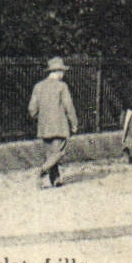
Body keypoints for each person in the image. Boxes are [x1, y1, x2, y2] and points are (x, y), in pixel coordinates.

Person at [28, 56, 79, 188]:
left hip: (44, 126)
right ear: (57, 72)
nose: (63, 74)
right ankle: (41, 171)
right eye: (62, 71)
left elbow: (32, 109)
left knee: (50, 153)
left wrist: (40, 117)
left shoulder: (38, 86)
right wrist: (74, 123)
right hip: (59, 125)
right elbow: (69, 106)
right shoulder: (62, 86)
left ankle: (55, 180)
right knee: (58, 153)